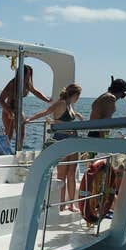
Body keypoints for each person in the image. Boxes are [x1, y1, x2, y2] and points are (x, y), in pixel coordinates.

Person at [27, 83, 84, 211]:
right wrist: (29, 119)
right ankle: (62, 203)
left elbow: (68, 119)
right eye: (78, 96)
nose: (78, 98)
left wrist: (78, 114)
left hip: (72, 141)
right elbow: (46, 112)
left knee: (71, 173)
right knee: (62, 175)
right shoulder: (61, 103)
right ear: (74, 94)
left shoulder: (69, 105)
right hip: (61, 141)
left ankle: (71, 204)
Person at [0, 64, 51, 148]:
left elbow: (36, 92)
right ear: (22, 74)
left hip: (19, 110)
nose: (29, 76)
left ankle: (19, 153)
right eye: (28, 74)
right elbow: (0, 100)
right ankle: (4, 152)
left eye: (30, 74)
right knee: (9, 134)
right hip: (9, 109)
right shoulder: (13, 83)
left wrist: (48, 100)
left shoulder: (27, 84)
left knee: (21, 135)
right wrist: (9, 111)